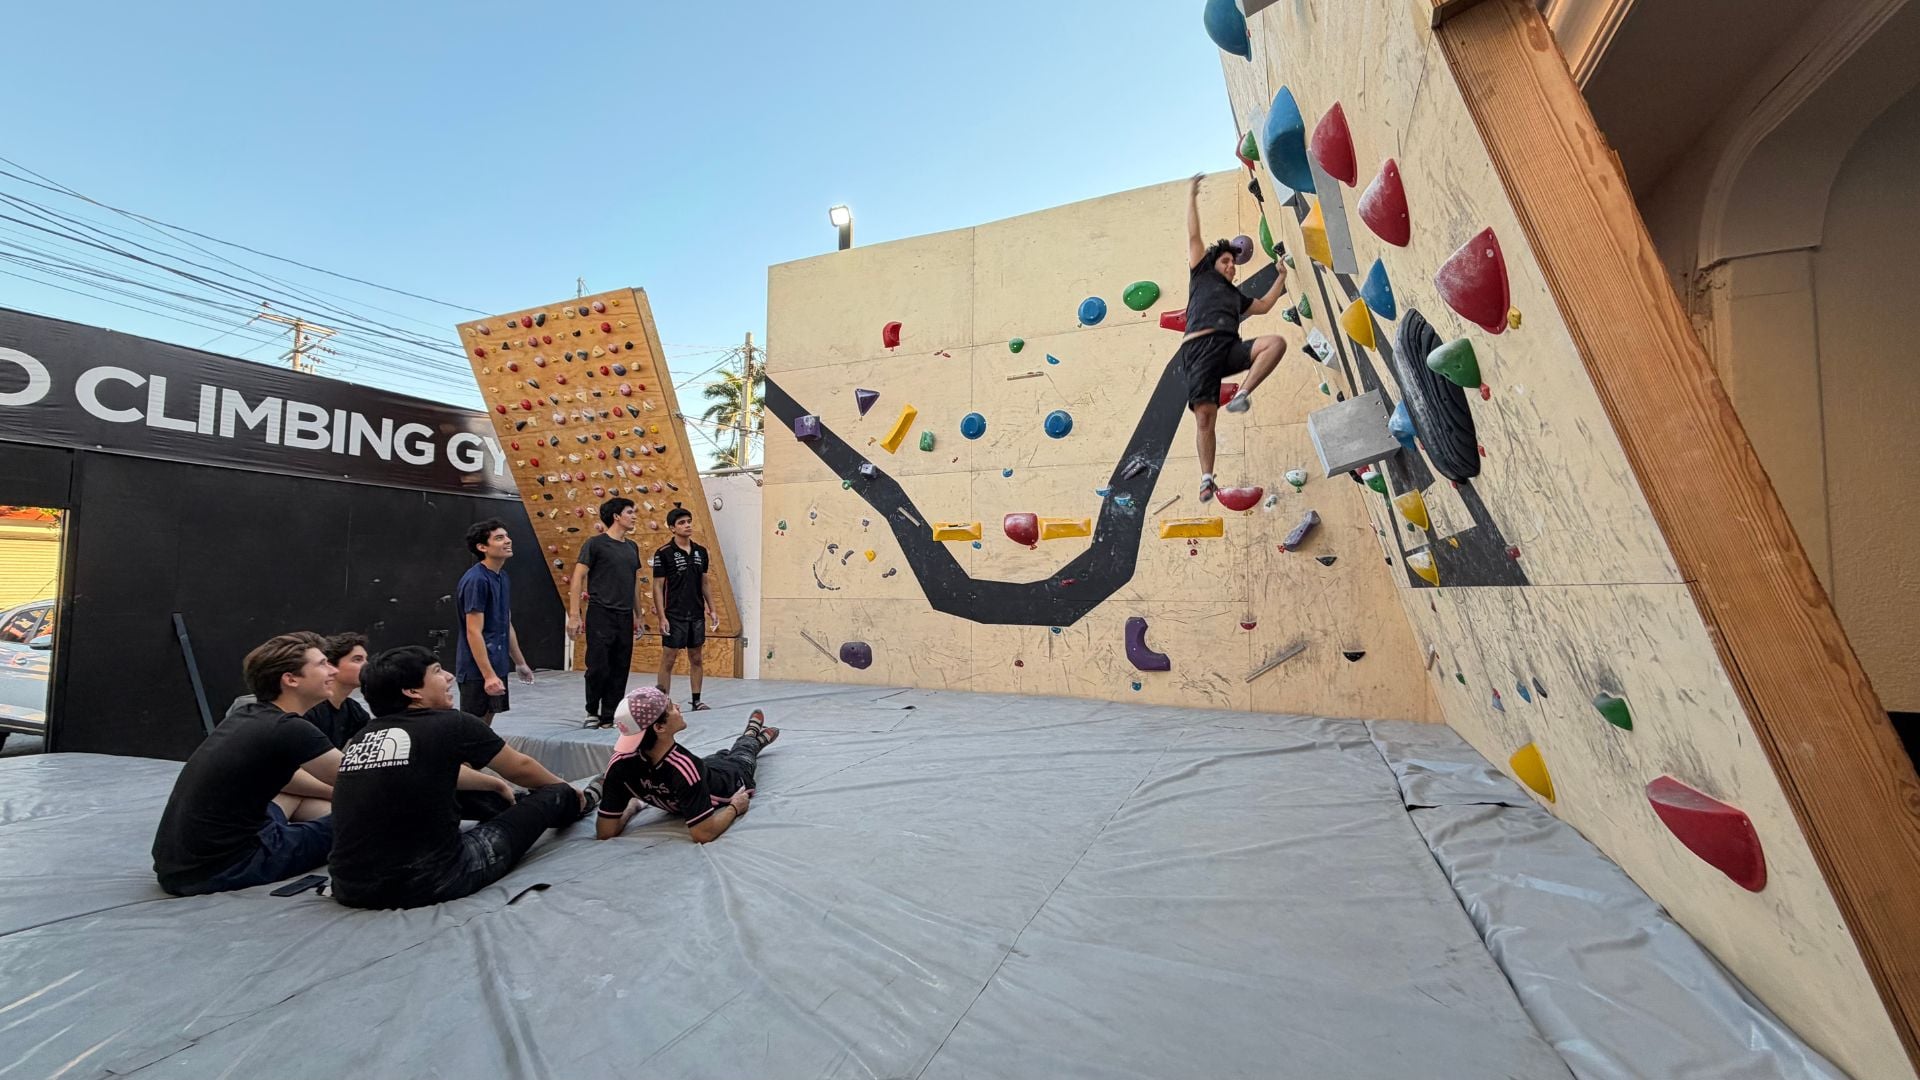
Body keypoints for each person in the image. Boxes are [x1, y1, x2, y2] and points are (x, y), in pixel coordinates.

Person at [327, 645, 600, 910]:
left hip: (351, 887)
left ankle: (516, 800)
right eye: (437, 672)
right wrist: (563, 788)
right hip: (433, 881)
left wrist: (494, 784)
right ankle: (587, 798)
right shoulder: (451, 724)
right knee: (553, 793)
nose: (448, 677)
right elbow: (521, 768)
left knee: (488, 794)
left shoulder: (364, 737)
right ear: (412, 692)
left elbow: (422, 775)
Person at [151, 632, 343, 896]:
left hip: (180, 866)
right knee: (365, 818)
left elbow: (289, 781)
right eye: (323, 664)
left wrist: (336, 795)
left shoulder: (248, 716)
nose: (333, 670)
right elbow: (366, 779)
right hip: (227, 867)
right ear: (291, 679)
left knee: (297, 795)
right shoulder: (289, 728)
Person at [1172, 172, 1291, 503]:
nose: (1231, 266)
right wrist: (1192, 196)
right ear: (1214, 263)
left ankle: (1243, 393)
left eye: (1233, 263)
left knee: (1275, 344)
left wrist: (1281, 276)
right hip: (1198, 350)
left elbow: (1266, 306)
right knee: (1205, 418)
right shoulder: (1201, 274)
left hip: (1227, 349)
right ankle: (1207, 478)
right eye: (1226, 261)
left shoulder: (1236, 298)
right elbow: (1194, 234)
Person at [594, 687, 777, 844]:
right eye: (672, 707)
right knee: (742, 755)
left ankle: (752, 736)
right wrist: (735, 807)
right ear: (659, 727)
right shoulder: (683, 769)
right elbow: (704, 833)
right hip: (731, 779)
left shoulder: (618, 764)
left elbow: (605, 829)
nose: (678, 707)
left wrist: (631, 807)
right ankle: (751, 737)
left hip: (712, 770)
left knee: (724, 755)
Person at [568, 497, 644, 729]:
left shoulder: (632, 547)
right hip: (601, 613)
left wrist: (638, 615)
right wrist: (574, 614)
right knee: (598, 666)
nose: (634, 516)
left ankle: (609, 715)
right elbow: (578, 577)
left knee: (620, 667)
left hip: (623, 616)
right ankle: (592, 710)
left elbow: (634, 584)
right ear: (616, 516)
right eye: (630, 512)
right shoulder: (595, 544)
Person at [455, 518, 534, 726]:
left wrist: (520, 662)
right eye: (499, 538)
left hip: (497, 664)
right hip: (476, 670)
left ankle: (480, 760)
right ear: (482, 547)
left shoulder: (502, 577)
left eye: (507, 536)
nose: (508, 541)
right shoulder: (476, 580)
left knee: (486, 724)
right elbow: (473, 631)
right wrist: (488, 675)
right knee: (473, 727)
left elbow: (505, 623)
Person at [652, 506, 718, 709]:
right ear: (672, 528)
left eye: (689, 521)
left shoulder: (700, 551)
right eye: (681, 522)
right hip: (674, 614)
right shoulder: (663, 553)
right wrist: (662, 617)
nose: (687, 525)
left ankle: (696, 700)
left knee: (696, 657)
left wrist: (712, 608)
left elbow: (704, 582)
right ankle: (662, 704)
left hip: (696, 613)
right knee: (669, 659)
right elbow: (657, 586)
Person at [304, 631, 372, 749]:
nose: (367, 666)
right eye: (357, 659)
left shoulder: (355, 711)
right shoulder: (310, 710)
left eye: (366, 659)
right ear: (330, 666)